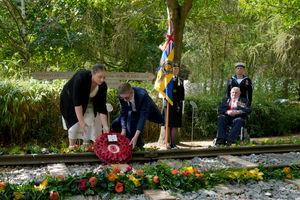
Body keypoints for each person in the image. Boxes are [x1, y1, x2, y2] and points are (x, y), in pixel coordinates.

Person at [60, 64, 110, 149]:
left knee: (89, 122)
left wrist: (105, 125)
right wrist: (81, 121)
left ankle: (86, 147)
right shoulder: (81, 77)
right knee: (75, 124)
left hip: (88, 103)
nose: (102, 80)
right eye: (100, 77)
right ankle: (72, 147)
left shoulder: (103, 86)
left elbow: (102, 107)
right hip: (71, 101)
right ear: (93, 74)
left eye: (104, 77)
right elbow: (77, 102)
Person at [111, 83, 164, 148]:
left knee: (132, 126)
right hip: (130, 111)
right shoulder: (121, 95)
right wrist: (123, 129)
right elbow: (123, 112)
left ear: (132, 92)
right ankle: (123, 144)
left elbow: (142, 117)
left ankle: (138, 146)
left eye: (126, 98)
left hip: (141, 112)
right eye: (123, 98)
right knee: (115, 124)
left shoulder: (142, 95)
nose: (125, 100)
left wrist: (136, 136)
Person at [162, 66, 185, 149]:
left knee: (175, 124)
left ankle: (173, 143)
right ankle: (167, 143)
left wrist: (181, 103)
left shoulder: (180, 80)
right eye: (174, 68)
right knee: (167, 124)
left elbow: (182, 94)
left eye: (177, 69)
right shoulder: (166, 78)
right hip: (168, 104)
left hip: (177, 105)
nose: (176, 70)